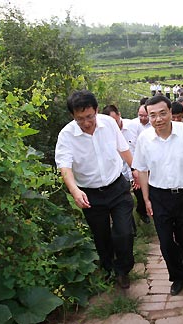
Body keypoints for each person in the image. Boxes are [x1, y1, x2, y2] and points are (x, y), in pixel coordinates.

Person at [132, 95, 183, 296]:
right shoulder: (144, 139)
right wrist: (147, 199)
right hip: (160, 196)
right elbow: (142, 170)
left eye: (162, 114)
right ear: (148, 117)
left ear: (171, 113)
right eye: (153, 116)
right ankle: (178, 277)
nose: (158, 119)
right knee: (166, 242)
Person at [55, 90, 135, 289]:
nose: (86, 122)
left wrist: (136, 171)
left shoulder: (108, 123)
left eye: (89, 116)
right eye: (80, 119)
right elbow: (64, 166)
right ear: (73, 116)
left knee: (124, 233)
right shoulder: (66, 135)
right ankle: (108, 269)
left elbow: (123, 149)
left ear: (96, 110)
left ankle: (123, 269)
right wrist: (74, 191)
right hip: (90, 193)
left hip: (117, 186)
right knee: (101, 236)